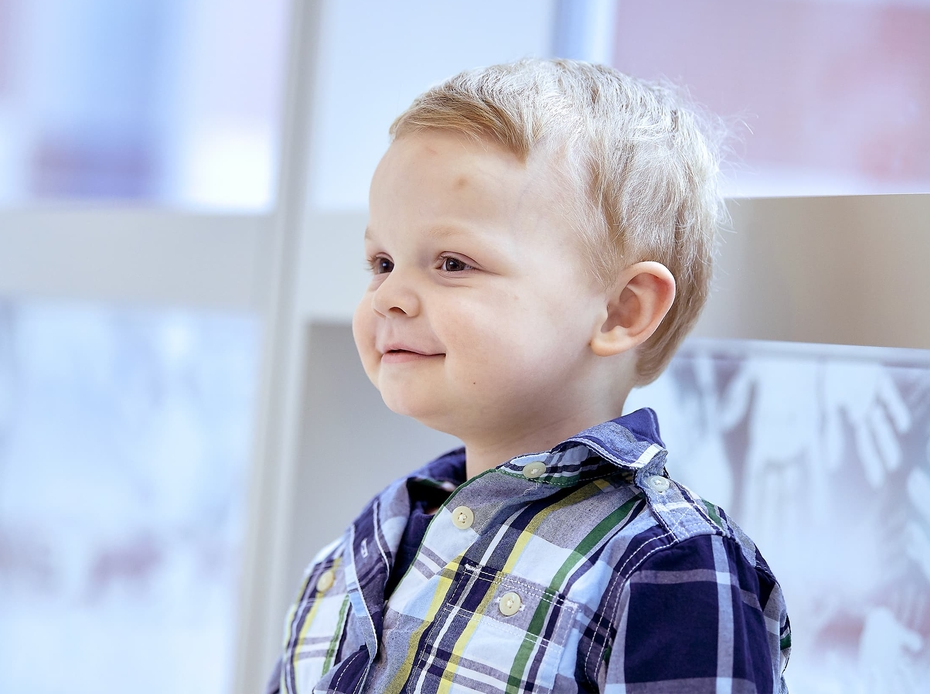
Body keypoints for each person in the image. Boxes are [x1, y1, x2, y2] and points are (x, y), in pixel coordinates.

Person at [267, 59, 791, 693]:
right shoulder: (368, 545)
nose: (388, 297)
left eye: (453, 262)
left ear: (621, 310)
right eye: (381, 262)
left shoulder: (666, 564)